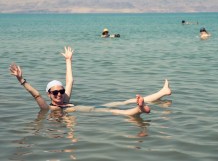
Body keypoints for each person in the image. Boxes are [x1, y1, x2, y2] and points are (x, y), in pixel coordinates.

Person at [9, 46, 172, 116]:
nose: (59, 94)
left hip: (94, 106)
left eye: (61, 91)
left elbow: (70, 80)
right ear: (49, 94)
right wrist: (21, 80)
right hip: (91, 111)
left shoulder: (65, 98)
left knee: (124, 101)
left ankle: (163, 92)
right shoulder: (48, 108)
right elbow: (36, 95)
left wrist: (68, 61)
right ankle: (140, 109)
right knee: (117, 112)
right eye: (55, 92)